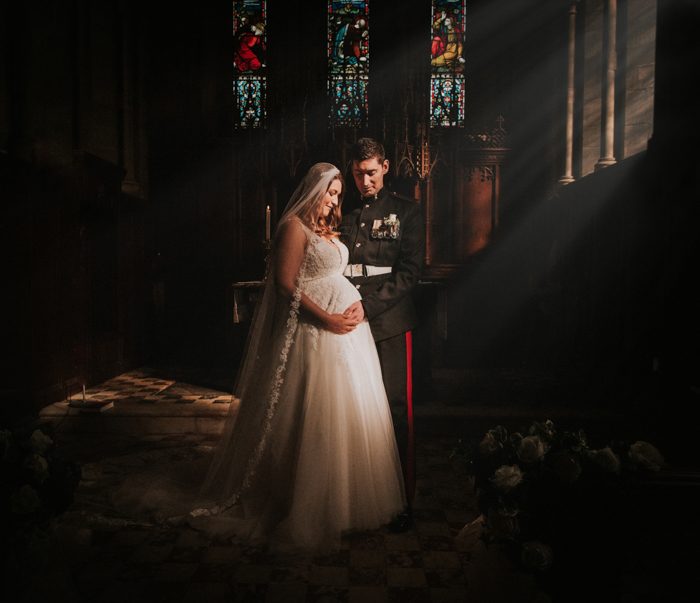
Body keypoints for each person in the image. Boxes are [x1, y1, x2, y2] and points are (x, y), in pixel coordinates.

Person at [190, 162, 406, 552]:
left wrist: (355, 310)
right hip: (313, 333)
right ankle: (303, 503)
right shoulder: (293, 227)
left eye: (338, 194)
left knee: (347, 417)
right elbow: (286, 283)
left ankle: (346, 503)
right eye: (329, 192)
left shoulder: (326, 230)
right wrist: (327, 318)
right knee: (312, 416)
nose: (334, 200)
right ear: (312, 190)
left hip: (347, 338)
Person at [340, 138, 425, 531]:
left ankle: (403, 501)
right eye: (357, 174)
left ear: (386, 167)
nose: (364, 181)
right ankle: (360, 495)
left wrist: (369, 307)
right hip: (344, 321)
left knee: (394, 410)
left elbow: (409, 274)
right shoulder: (344, 209)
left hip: (388, 322)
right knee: (352, 411)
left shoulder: (407, 211)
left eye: (371, 172)